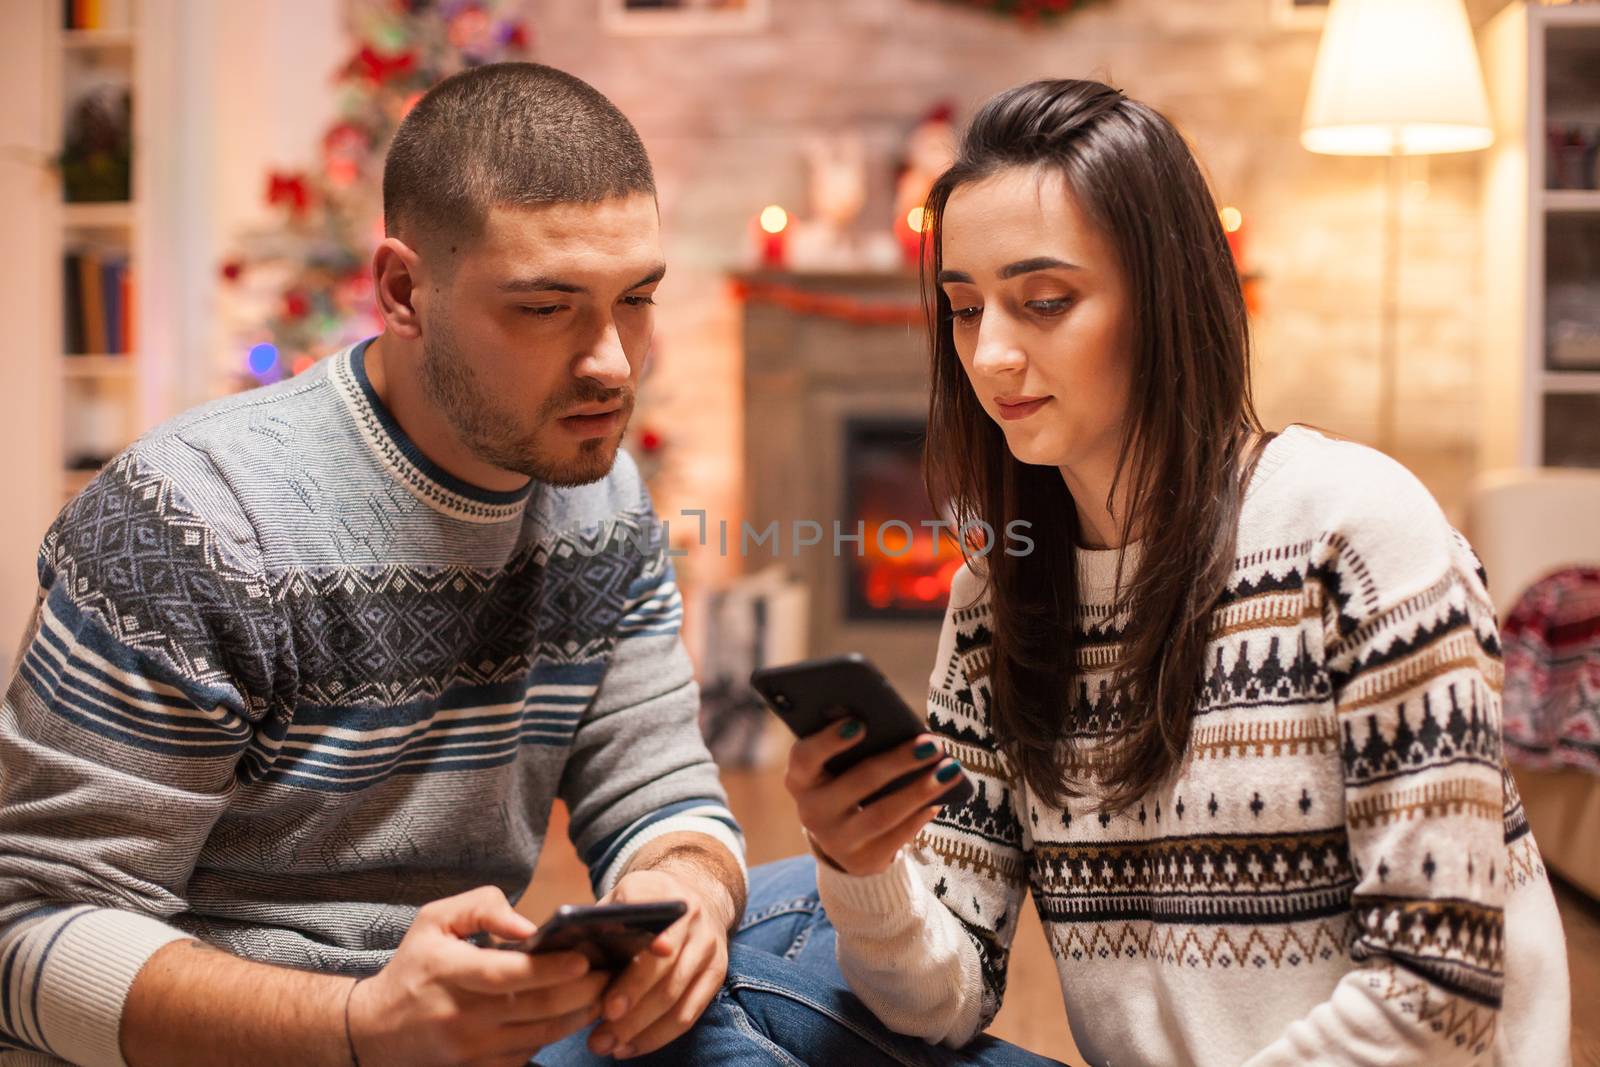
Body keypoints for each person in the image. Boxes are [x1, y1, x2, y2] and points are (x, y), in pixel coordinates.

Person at [785, 79, 1574, 1066]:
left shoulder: (1356, 534)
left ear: (1165, 298)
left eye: (1044, 302)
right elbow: (946, 1001)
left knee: (761, 971)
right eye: (962, 307)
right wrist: (859, 868)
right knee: (761, 961)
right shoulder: (999, 599)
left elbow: (1438, 1000)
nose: (990, 355)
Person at [0, 63, 748, 1066]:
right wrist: (358, 1025)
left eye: (638, 298)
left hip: (473, 1026)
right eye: (545, 307)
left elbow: (660, 788)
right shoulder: (194, 519)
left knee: (792, 924)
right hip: (248, 1043)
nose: (613, 362)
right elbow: (29, 931)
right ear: (403, 289)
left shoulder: (599, 499)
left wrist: (689, 892)